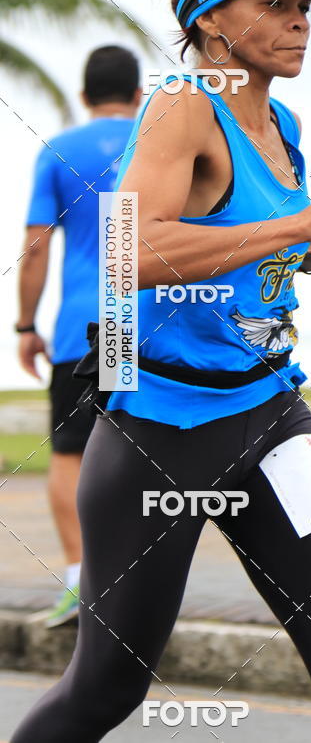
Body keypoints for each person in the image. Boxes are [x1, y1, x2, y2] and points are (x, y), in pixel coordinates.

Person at [10, 0, 311, 742]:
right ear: (212, 20)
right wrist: (307, 218)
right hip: (163, 432)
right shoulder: (184, 110)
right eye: (277, 3)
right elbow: (131, 253)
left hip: (272, 416)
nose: (301, 19)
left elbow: (260, 245)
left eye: (306, 4)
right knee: (106, 689)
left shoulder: (282, 125)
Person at [16, 46, 141, 627]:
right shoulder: (160, 140)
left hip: (83, 330)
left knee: (69, 453)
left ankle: (79, 580)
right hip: (147, 323)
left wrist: (24, 326)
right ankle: (132, 582)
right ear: (139, 93)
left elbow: (36, 249)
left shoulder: (58, 152)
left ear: (85, 96)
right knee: (139, 450)